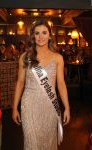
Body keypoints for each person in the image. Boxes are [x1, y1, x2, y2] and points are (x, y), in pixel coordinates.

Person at [12, 19, 70, 150]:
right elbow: (20, 82)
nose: (40, 37)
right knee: (31, 142)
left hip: (50, 105)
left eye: (44, 32)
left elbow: (61, 83)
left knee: (48, 143)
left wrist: (67, 107)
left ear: (50, 35)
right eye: (37, 33)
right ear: (33, 36)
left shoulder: (58, 58)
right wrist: (14, 107)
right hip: (29, 104)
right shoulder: (25, 57)